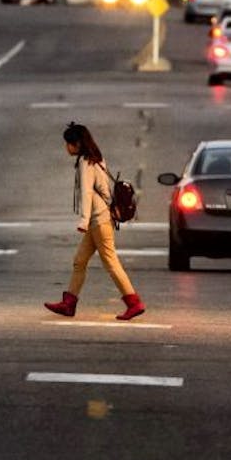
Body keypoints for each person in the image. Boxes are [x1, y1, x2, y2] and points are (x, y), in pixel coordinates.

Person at [44, 123, 145, 321]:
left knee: (111, 262)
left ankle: (134, 302)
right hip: (98, 220)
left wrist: (84, 220)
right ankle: (69, 303)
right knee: (79, 261)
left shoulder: (86, 162)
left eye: (68, 143)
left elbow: (87, 192)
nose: (67, 147)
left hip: (99, 220)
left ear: (77, 144)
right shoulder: (95, 159)